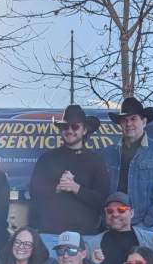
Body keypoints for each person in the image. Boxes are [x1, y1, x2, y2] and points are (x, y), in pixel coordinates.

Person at [29, 104, 111, 249]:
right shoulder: (47, 159)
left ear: (84, 130)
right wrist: (57, 188)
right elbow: (34, 192)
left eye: (75, 127)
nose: (69, 130)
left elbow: (102, 200)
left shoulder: (96, 161)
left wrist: (76, 188)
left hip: (86, 237)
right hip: (51, 235)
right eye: (65, 127)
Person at [102, 97, 153, 233]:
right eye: (124, 120)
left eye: (133, 119)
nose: (128, 124)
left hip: (145, 228)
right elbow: (100, 189)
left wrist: (150, 221)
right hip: (113, 226)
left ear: (144, 121)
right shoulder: (109, 153)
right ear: (120, 124)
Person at [91, 191, 153, 264]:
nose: (115, 214)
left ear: (132, 213)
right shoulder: (92, 244)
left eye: (121, 210)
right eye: (110, 211)